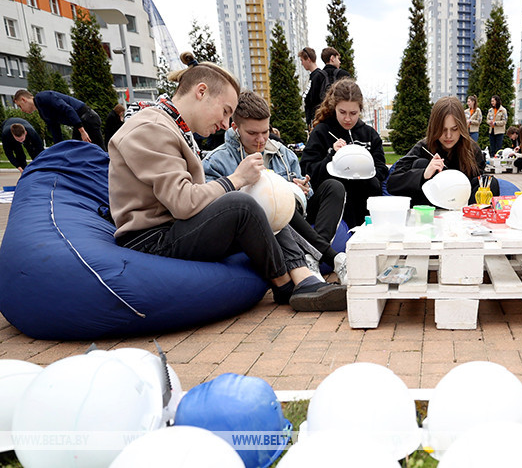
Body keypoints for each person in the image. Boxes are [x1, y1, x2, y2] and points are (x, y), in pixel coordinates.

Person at [108, 52, 345, 311]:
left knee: (264, 198)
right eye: (225, 111)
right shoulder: (151, 127)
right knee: (242, 204)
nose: (224, 124)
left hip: (174, 229)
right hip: (152, 241)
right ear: (201, 91)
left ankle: (304, 277)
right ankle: (285, 285)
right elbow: (183, 202)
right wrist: (236, 179)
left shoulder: (172, 126)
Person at [202, 90, 348, 283]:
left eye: (265, 132)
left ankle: (311, 257)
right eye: (252, 133)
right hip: (261, 226)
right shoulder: (216, 161)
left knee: (334, 187)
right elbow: (214, 208)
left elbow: (305, 190)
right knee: (274, 201)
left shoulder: (283, 153)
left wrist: (303, 187)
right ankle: (333, 257)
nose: (261, 140)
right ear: (235, 127)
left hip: (298, 217)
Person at [301, 78, 387, 228]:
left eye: (353, 113)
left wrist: (364, 170)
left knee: (371, 184)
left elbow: (381, 169)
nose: (348, 118)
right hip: (332, 202)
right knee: (339, 186)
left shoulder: (369, 134)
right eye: (342, 112)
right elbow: (308, 170)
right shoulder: (322, 132)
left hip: (364, 202)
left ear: (360, 110)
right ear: (334, 107)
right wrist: (332, 157)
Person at [387, 96, 499, 206]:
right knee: (421, 164)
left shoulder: (472, 149)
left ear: (462, 127)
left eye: (454, 129)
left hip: (462, 207)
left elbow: (478, 183)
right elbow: (392, 183)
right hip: (430, 211)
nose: (448, 136)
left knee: (489, 183)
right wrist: (423, 174)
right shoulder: (423, 147)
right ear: (434, 127)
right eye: (443, 129)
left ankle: (474, 221)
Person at [13, 89, 105, 151]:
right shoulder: (43, 112)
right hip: (80, 124)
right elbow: (55, 131)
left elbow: (68, 109)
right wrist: (58, 149)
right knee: (76, 152)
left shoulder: (43, 97)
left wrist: (82, 131)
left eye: (20, 106)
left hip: (88, 118)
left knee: (100, 152)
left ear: (24, 99)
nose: (21, 110)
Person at [299, 47, 327, 128]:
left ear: (308, 59)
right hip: (313, 121)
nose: (302, 63)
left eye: (302, 60)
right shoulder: (313, 76)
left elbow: (316, 101)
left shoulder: (318, 76)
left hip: (317, 121)